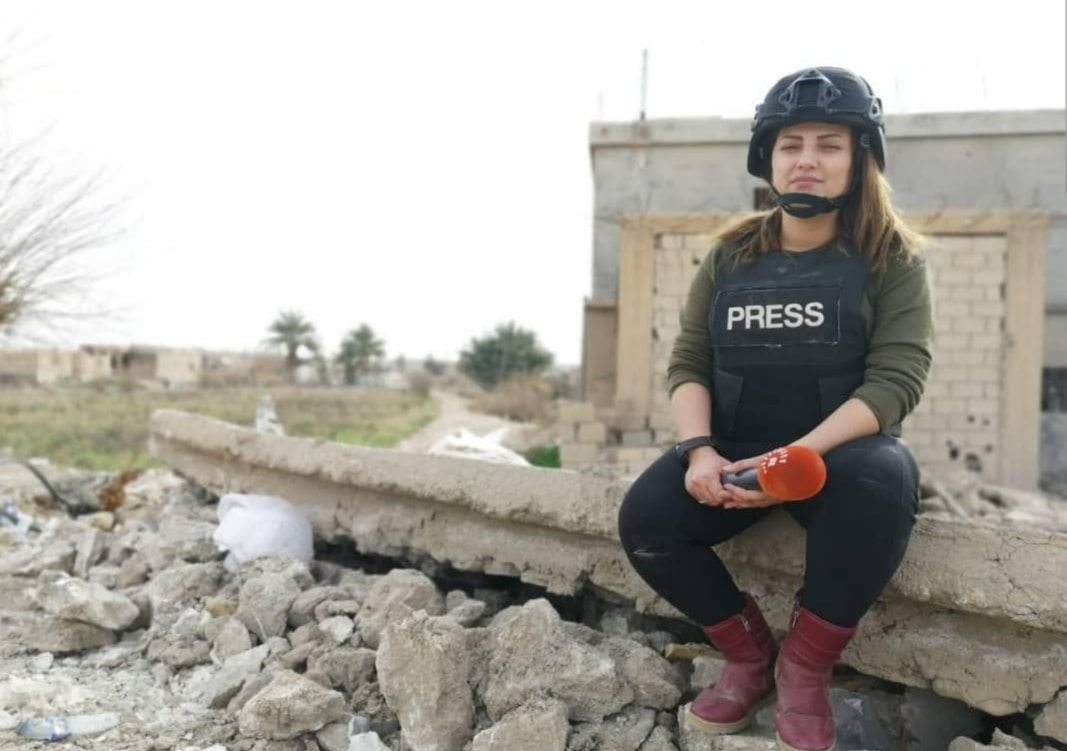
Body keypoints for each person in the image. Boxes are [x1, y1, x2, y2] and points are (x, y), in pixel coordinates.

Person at [616, 66, 933, 751]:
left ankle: (804, 669)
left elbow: (896, 380)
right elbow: (689, 361)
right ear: (768, 157)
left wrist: (795, 460)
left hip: (833, 460)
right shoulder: (730, 255)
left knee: (887, 479)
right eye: (791, 144)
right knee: (645, 521)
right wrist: (699, 453)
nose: (807, 160)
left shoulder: (891, 258)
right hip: (733, 451)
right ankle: (748, 654)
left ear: (859, 159)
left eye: (828, 144)